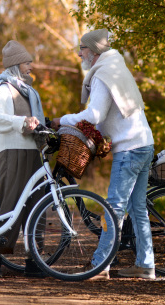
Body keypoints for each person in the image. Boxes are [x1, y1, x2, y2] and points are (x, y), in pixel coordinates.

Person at [53, 29, 155, 280]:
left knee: (114, 209)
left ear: (94, 52)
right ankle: (145, 265)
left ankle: (100, 265)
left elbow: (94, 115)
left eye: (83, 49)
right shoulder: (117, 68)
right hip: (144, 143)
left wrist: (61, 120)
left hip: (130, 149)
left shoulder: (103, 75)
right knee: (138, 208)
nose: (79, 53)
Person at [0, 40, 46, 278]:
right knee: (9, 204)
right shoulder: (4, 88)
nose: (31, 66)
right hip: (11, 151)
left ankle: (34, 260)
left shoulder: (27, 90)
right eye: (27, 62)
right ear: (16, 64)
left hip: (31, 151)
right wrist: (21, 122)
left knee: (36, 205)